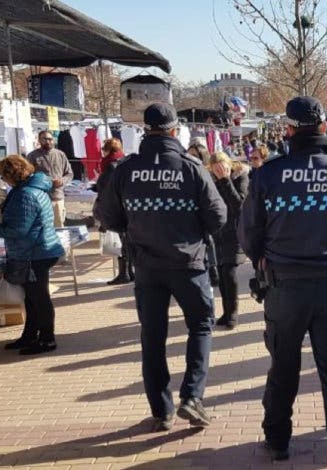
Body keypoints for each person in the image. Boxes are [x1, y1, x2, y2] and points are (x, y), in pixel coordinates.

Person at [238, 96, 327, 467]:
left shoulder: (269, 174)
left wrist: (265, 258)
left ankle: (277, 440)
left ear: (289, 129)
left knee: (283, 366)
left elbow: (249, 233)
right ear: (325, 127)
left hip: (284, 287)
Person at [98, 103, 227, 432]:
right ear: (174, 130)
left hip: (147, 264)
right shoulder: (191, 167)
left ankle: (162, 410)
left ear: (145, 130)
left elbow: (107, 215)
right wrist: (191, 228)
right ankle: (192, 396)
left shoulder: (126, 169)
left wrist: (134, 227)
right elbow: (217, 217)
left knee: (152, 337)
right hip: (188, 262)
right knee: (201, 326)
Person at [0, 155, 65, 355]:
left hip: (35, 253)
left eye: (3, 176)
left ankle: (47, 339)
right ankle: (30, 335)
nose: (3, 180)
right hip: (37, 250)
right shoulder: (31, 189)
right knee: (32, 298)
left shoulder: (25, 194)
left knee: (39, 298)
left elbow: (18, 230)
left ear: (12, 174)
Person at [207, 151, 249, 329]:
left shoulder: (240, 176)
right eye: (215, 170)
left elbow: (239, 205)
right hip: (218, 231)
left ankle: (233, 313)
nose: (218, 172)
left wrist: (225, 180)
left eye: (221, 168)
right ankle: (226, 311)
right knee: (222, 273)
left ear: (228, 164)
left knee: (229, 272)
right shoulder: (210, 179)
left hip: (235, 230)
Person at [93, 138, 133, 285]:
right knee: (127, 241)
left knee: (122, 242)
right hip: (127, 207)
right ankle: (129, 272)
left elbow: (105, 188)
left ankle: (124, 273)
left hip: (117, 209)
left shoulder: (110, 165)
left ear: (108, 150)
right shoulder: (126, 162)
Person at [27, 130, 74, 228]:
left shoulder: (60, 154)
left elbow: (69, 174)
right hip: (40, 199)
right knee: (42, 228)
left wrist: (62, 181)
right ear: (39, 140)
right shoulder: (32, 156)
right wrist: (42, 182)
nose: (48, 141)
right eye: (45, 139)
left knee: (58, 227)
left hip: (57, 197)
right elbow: (27, 176)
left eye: (50, 139)